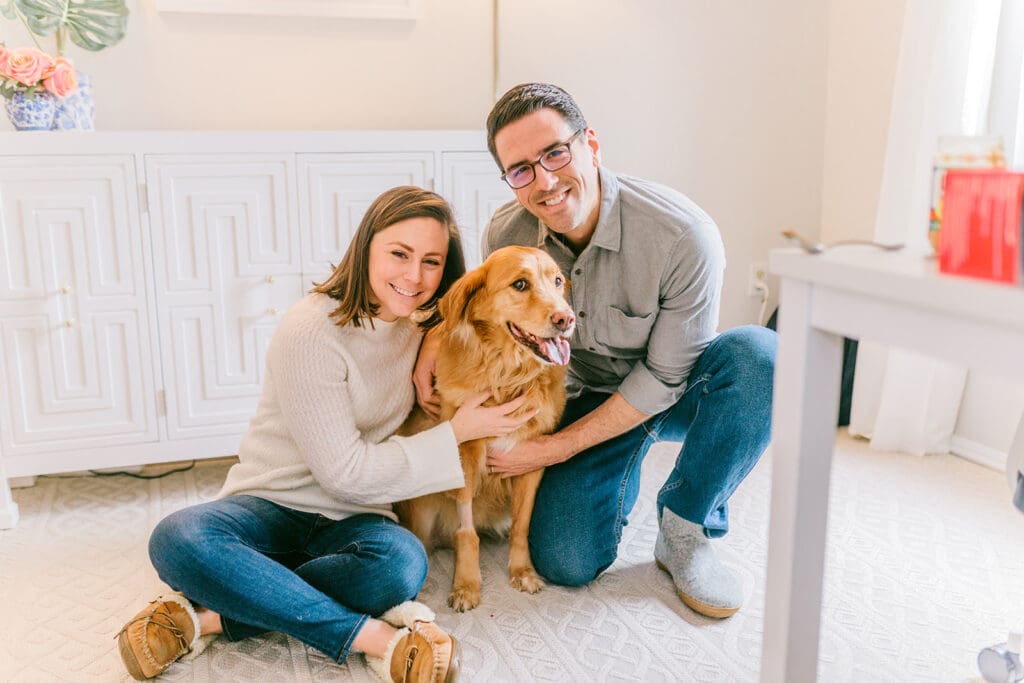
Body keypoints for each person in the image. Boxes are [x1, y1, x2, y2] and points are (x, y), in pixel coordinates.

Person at [116, 186, 536, 683]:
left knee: (401, 566)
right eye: (399, 254)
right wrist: (459, 431)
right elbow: (344, 475)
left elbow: (466, 312)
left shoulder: (419, 321)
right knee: (178, 539)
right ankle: (374, 638)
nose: (413, 276)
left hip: (355, 518)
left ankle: (210, 615)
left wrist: (435, 340)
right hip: (272, 503)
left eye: (431, 261)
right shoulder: (310, 330)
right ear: (365, 249)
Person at [414, 84, 777, 619]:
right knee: (566, 559)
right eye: (521, 170)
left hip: (675, 391)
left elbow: (665, 376)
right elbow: (487, 309)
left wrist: (553, 449)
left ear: (591, 144)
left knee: (763, 358)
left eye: (555, 153)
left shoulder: (683, 235)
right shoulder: (506, 232)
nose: (544, 181)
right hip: (579, 395)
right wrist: (433, 337)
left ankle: (688, 526)